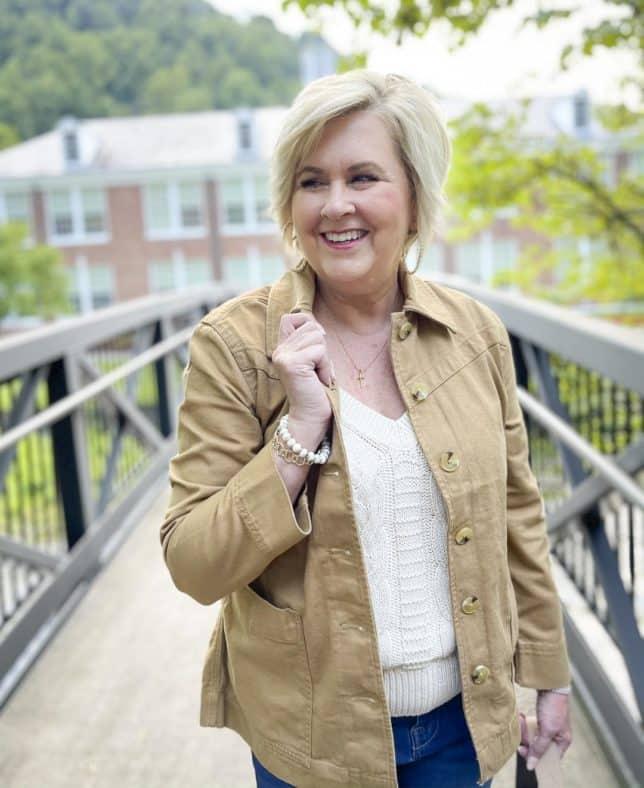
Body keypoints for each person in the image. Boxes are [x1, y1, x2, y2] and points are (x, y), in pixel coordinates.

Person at [160, 71, 572, 788]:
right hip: (312, 736)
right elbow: (192, 564)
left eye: (364, 176)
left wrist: (549, 673)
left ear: (415, 198)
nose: (337, 204)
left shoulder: (476, 335)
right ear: (290, 204)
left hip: (459, 724)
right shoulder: (233, 345)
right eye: (313, 181)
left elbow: (518, 517)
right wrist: (297, 434)